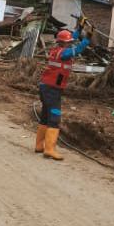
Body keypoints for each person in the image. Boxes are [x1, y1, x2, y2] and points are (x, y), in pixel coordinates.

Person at [35, 25, 90, 161]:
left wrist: (79, 29)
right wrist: (87, 38)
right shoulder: (64, 53)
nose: (71, 43)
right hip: (52, 90)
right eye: (69, 42)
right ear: (64, 43)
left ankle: (39, 145)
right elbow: (77, 49)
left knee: (45, 116)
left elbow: (71, 40)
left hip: (45, 87)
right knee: (54, 117)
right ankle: (49, 149)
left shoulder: (56, 50)